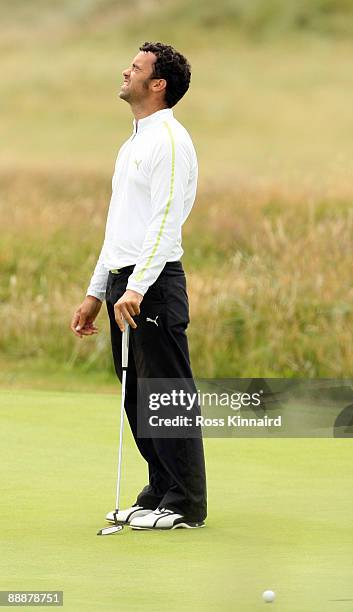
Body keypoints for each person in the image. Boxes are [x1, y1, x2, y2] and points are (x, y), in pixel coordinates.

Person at [70, 42, 207, 530]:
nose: (124, 71)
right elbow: (119, 227)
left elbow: (166, 222)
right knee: (136, 393)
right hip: (124, 282)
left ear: (157, 84)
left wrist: (138, 287)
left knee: (165, 393)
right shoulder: (133, 142)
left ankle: (185, 502)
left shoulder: (168, 140)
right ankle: (158, 491)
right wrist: (96, 290)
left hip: (152, 283)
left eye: (135, 67)